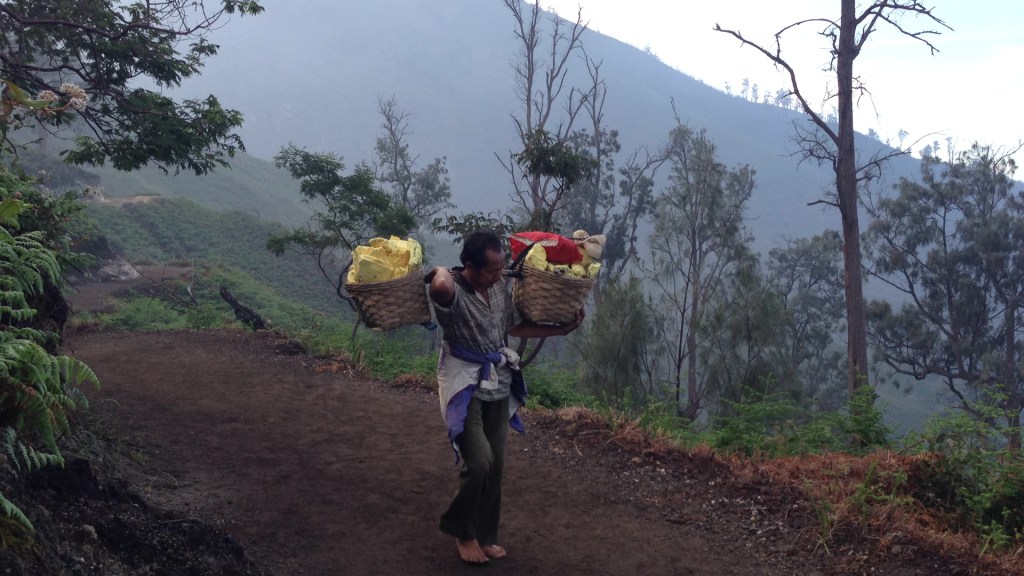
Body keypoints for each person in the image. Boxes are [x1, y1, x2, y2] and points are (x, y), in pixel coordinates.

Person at [426, 229, 583, 565]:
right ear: (468, 266)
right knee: (479, 462)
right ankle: (462, 532)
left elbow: (514, 327)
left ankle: (484, 535)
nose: (499, 276)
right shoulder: (454, 295)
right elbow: (439, 287)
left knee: (496, 466)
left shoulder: (497, 288)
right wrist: (439, 268)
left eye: (501, 269)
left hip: (497, 383)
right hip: (464, 384)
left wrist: (562, 329)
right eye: (491, 270)